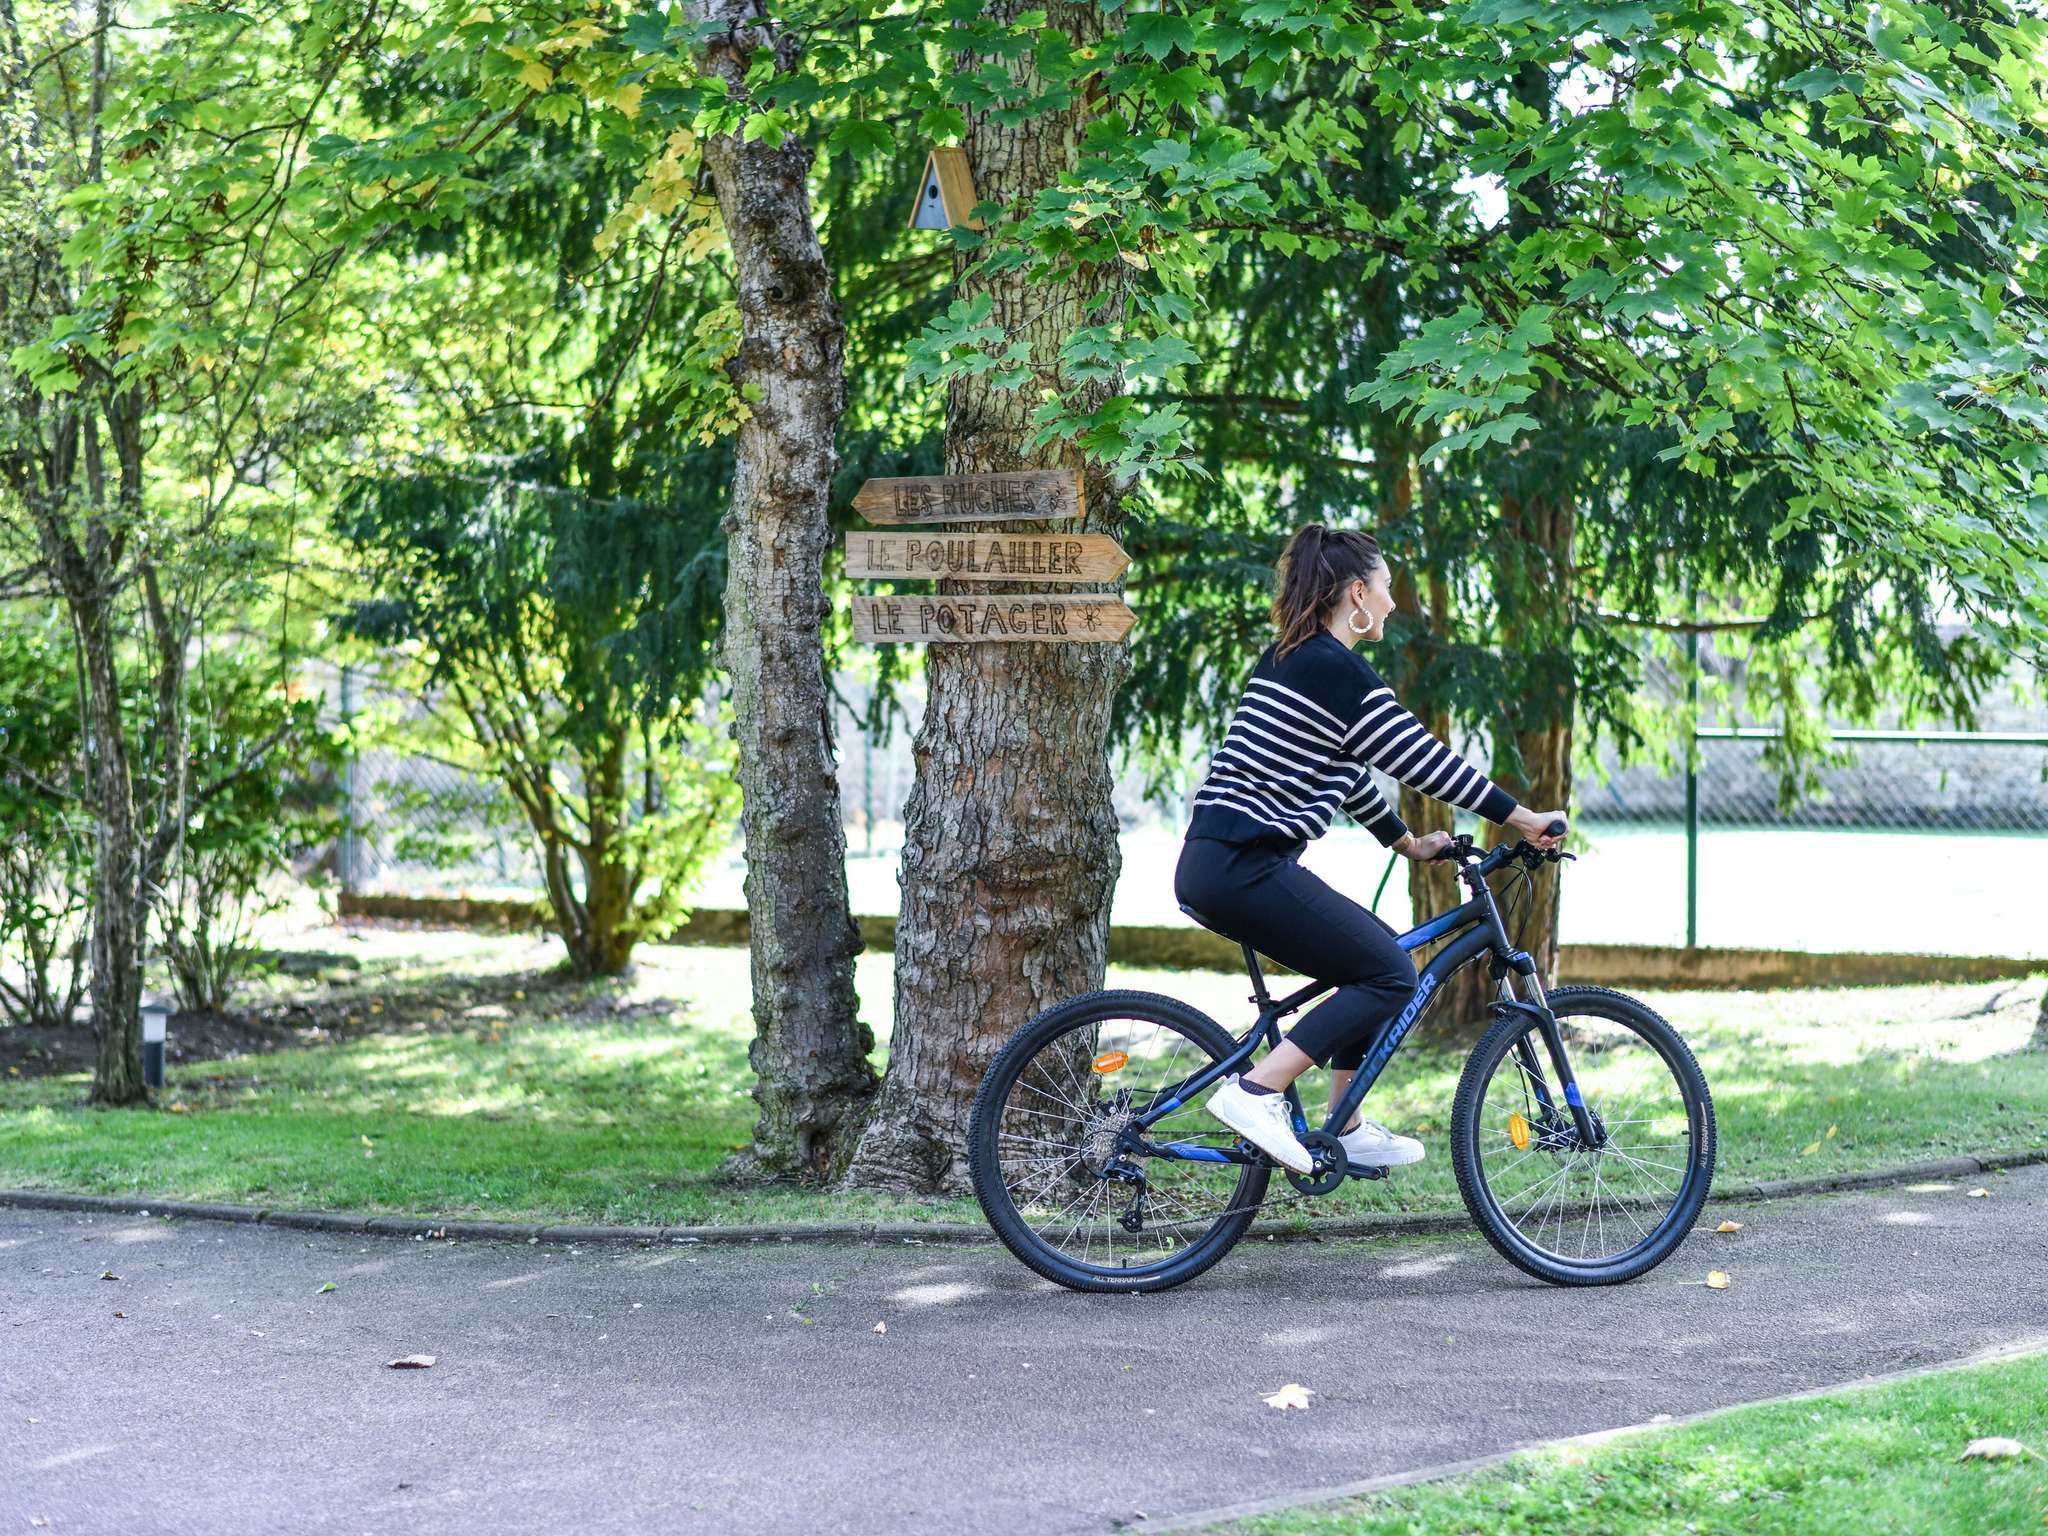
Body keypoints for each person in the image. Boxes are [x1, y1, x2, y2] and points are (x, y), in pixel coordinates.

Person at [1173, 524, 1567, 1175]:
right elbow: (1420, 760)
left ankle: (1346, 1128)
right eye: (1386, 588)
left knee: (1375, 957)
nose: (1391, 602)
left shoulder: (1292, 658)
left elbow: (1350, 770)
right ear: (1357, 592)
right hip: (1243, 866)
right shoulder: (1335, 669)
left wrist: (1407, 842)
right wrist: (1522, 817)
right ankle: (1255, 1091)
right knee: (1391, 972)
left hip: (1223, 864)